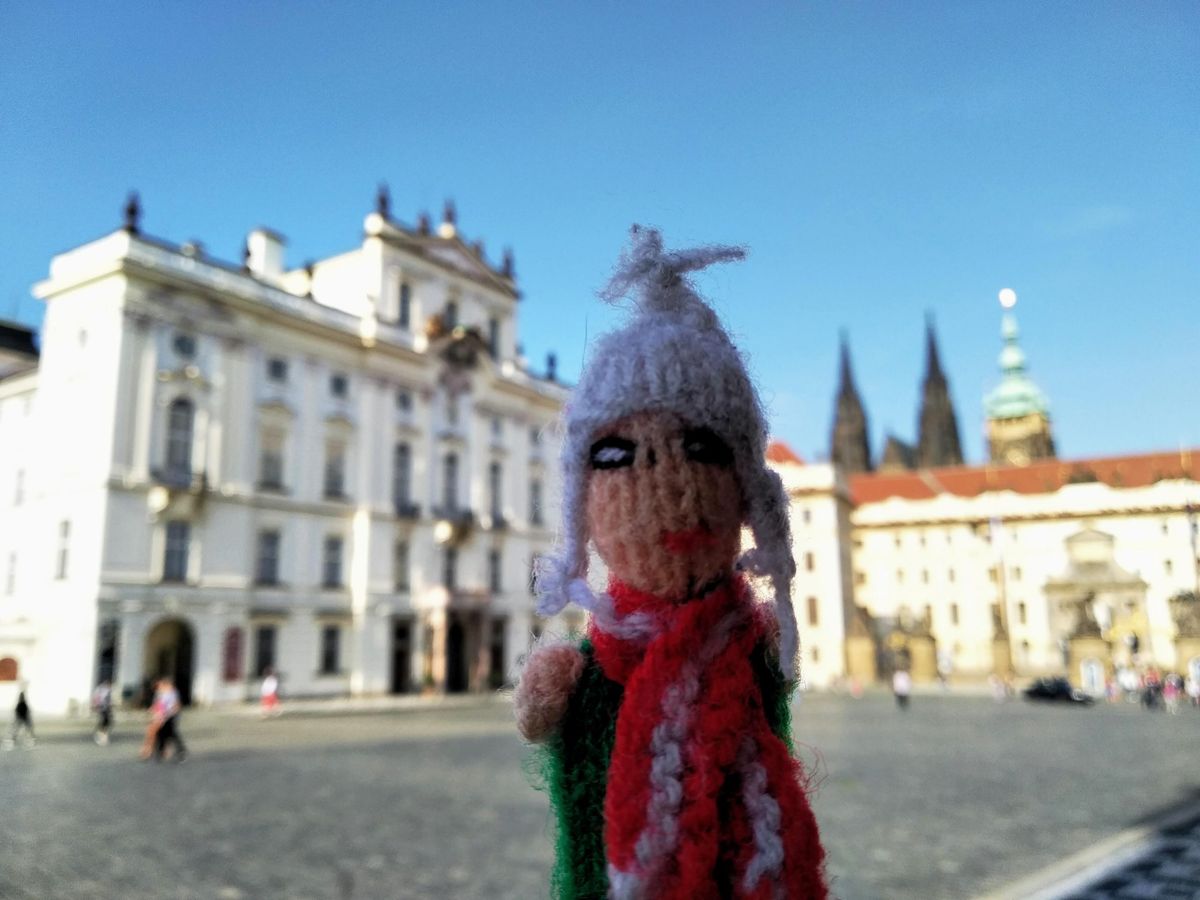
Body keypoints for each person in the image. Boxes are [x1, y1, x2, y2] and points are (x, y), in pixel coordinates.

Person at [513, 228, 827, 898]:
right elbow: (542, 719)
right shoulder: (592, 671)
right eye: (618, 458)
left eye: (703, 451)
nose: (666, 488)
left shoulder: (751, 645)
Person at [152, 677, 187, 762]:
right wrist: (157, 714)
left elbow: (176, 704)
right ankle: (161, 752)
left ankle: (180, 750)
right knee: (161, 733)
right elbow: (158, 704)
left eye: (161, 685)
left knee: (170, 733)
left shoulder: (173, 693)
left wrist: (172, 712)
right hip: (162, 716)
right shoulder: (160, 693)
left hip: (170, 715)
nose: (159, 686)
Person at [91, 680, 114, 745]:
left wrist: (110, 705)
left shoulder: (107, 690)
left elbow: (108, 699)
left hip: (106, 708)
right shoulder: (101, 689)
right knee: (104, 721)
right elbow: (97, 698)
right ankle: (100, 736)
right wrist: (95, 705)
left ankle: (103, 736)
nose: (110, 686)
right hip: (102, 708)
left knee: (107, 722)